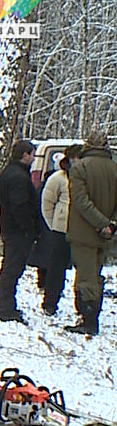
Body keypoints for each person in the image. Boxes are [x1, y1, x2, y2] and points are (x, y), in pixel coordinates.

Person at [64, 132, 117, 335]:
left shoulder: (80, 168)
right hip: (106, 235)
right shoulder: (114, 169)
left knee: (86, 277)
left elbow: (80, 200)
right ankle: (91, 316)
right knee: (96, 273)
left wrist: (101, 223)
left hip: (83, 232)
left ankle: (88, 320)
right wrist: (111, 225)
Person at [0, 140, 40, 324]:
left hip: (11, 227)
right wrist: (29, 228)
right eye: (32, 154)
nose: (34, 158)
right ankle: (5, 309)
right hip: (17, 231)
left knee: (11, 268)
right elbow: (19, 206)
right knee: (12, 268)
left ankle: (7, 306)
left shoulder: (12, 173)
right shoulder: (18, 177)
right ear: (25, 155)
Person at [39, 148, 79, 316]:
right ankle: (50, 302)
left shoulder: (86, 178)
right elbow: (47, 203)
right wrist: (54, 224)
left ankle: (82, 305)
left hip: (82, 230)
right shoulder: (58, 178)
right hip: (60, 230)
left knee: (83, 268)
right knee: (56, 268)